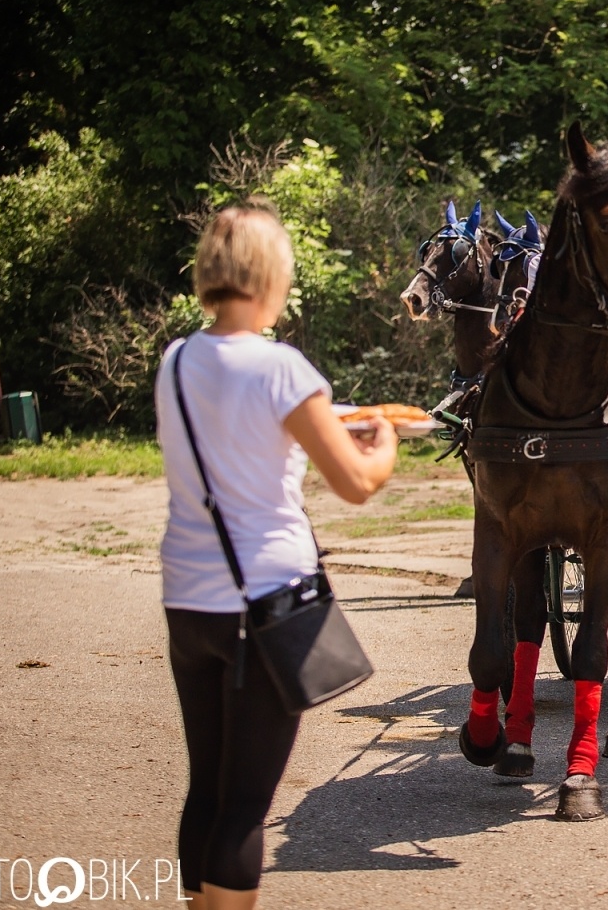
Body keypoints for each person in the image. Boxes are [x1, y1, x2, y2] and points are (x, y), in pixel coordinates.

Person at [155, 202, 398, 910]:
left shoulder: (176, 359)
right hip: (264, 603)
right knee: (245, 805)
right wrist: (381, 441)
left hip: (190, 600)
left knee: (207, 788)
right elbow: (354, 484)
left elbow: (239, 437)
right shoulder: (282, 367)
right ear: (270, 274)